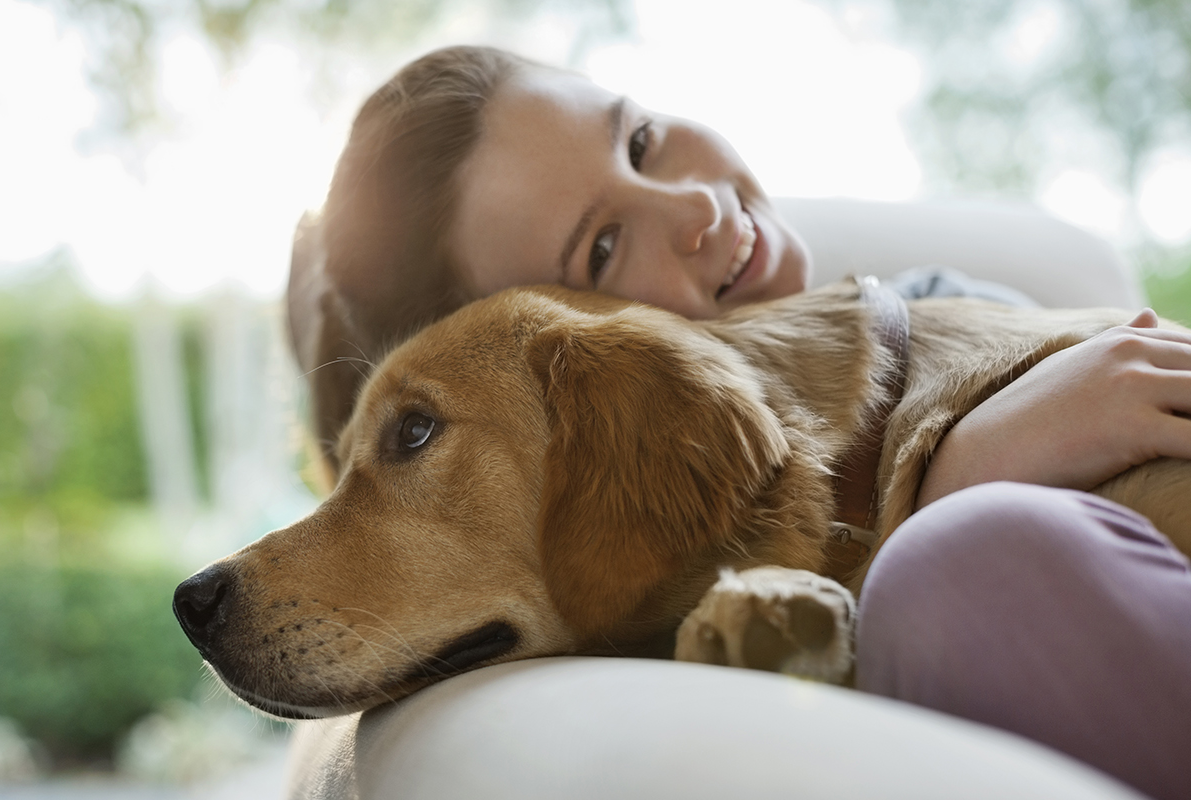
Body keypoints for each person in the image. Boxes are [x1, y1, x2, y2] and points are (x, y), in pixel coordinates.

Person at [287, 45, 1191, 800]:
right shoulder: (657, 547)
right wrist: (969, 466)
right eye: (601, 249)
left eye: (639, 141)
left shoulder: (961, 319)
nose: (693, 207)